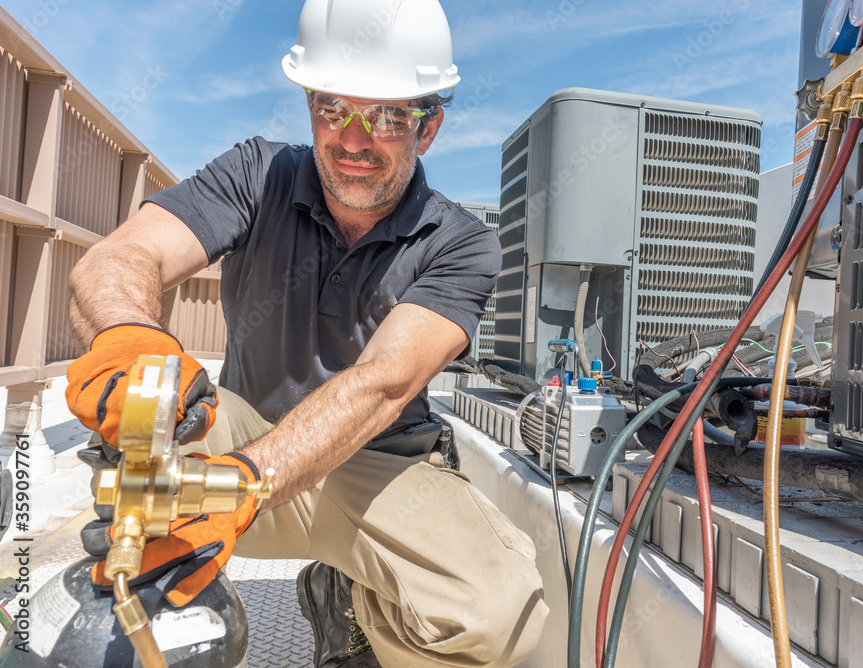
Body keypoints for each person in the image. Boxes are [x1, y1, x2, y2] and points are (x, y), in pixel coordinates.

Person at [64, 1, 549, 666]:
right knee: (143, 403)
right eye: (333, 108)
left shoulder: (461, 243)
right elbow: (118, 260)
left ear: (428, 127)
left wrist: (246, 484)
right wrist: (128, 338)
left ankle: (354, 606)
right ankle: (172, 611)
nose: (353, 138)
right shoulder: (257, 175)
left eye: (386, 115)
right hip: (246, 437)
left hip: (376, 469)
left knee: (498, 619)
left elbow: (383, 383)